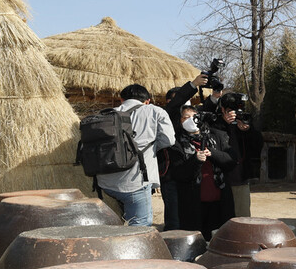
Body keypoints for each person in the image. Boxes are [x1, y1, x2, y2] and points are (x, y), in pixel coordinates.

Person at [96, 84, 176, 226]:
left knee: (113, 226)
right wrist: (152, 147)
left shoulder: (106, 114)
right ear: (147, 101)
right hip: (135, 181)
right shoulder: (156, 111)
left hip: (105, 182)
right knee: (139, 226)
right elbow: (169, 140)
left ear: (121, 100)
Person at [169, 105, 237, 239]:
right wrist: (195, 160)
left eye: (193, 117)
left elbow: (231, 161)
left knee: (220, 240)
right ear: (180, 121)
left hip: (219, 200)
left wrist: (213, 153)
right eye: (186, 117)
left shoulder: (217, 136)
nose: (190, 120)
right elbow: (178, 173)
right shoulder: (176, 142)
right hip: (192, 203)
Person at [158, 73, 209, 230]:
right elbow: (174, 107)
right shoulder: (168, 121)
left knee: (190, 218)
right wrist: (193, 85)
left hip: (191, 179)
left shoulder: (194, 127)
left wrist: (214, 97)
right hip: (171, 178)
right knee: (174, 221)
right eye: (179, 101)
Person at [213, 92, 263, 218]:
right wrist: (224, 124)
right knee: (222, 220)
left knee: (243, 219)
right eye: (230, 110)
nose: (234, 114)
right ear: (222, 110)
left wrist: (248, 130)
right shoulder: (215, 124)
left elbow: (258, 146)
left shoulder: (244, 121)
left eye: (237, 110)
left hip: (241, 179)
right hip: (220, 182)